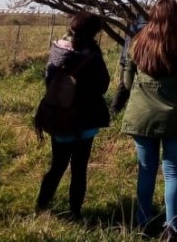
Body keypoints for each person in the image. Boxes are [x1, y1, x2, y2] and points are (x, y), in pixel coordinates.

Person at [120, 0, 177, 241]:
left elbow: (126, 82)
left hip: (142, 115)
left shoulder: (138, 40)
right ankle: (173, 227)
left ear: (152, 15)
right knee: (173, 172)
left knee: (146, 170)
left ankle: (143, 222)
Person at [36, 11, 111, 217]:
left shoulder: (57, 50)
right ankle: (75, 211)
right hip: (84, 119)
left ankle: (42, 205)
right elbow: (103, 85)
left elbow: (49, 80)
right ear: (93, 32)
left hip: (58, 117)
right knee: (79, 168)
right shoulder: (92, 55)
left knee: (57, 164)